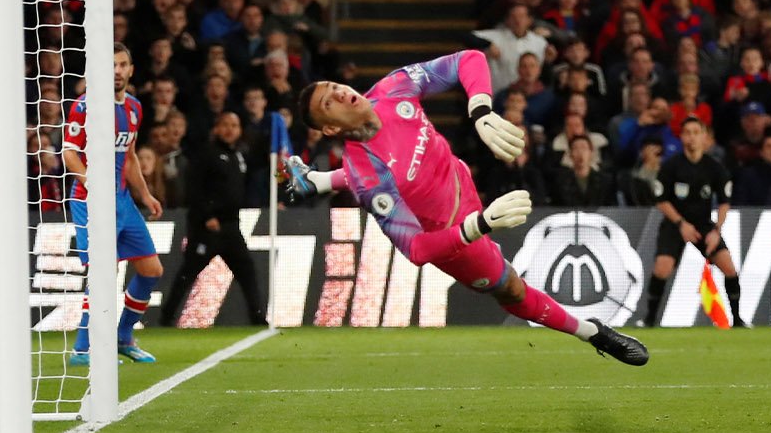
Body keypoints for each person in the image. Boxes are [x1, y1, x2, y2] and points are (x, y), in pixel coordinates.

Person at [282, 50, 647, 365]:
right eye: (329, 103)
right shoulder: (368, 178)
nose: (340, 92)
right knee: (511, 289)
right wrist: (479, 225)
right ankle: (591, 332)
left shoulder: (392, 88)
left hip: (457, 175)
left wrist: (481, 110)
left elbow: (468, 59)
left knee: (397, 167)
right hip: (453, 236)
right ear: (330, 130)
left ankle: (316, 180)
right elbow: (417, 249)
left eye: (334, 86)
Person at [62, 43, 165, 365]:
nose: (117, 71)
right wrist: (90, 182)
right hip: (90, 201)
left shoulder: (134, 107)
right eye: (111, 65)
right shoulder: (86, 105)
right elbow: (69, 153)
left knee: (151, 270)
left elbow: (130, 156)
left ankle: (123, 337)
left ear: (131, 70)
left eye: (122, 65)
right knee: (103, 273)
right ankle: (83, 349)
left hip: (121, 200)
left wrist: (145, 195)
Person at [161, 112, 266, 326]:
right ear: (216, 128)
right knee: (189, 272)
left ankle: (258, 318)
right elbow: (194, 188)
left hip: (231, 226)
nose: (230, 129)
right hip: (207, 228)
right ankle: (166, 317)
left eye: (234, 125)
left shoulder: (238, 155)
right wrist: (207, 215)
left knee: (246, 270)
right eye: (225, 124)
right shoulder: (206, 153)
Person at [641, 117, 743, 329]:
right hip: (675, 223)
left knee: (729, 267)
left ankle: (738, 319)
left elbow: (724, 202)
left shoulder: (714, 167)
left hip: (704, 224)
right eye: (687, 132)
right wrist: (681, 224)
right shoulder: (671, 166)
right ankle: (649, 319)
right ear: (681, 137)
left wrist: (716, 230)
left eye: (696, 132)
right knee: (662, 268)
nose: (692, 137)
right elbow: (661, 200)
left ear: (705, 137)